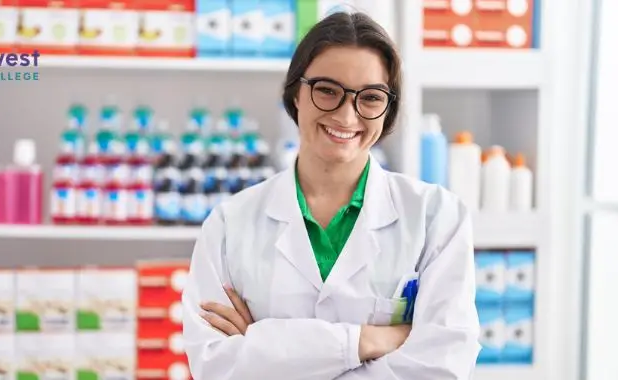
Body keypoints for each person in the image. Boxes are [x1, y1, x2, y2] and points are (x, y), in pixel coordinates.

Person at [180, 10, 481, 380]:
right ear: (296, 94)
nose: (346, 114)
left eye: (370, 97)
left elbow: (442, 366)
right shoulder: (230, 224)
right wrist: (365, 341)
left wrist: (265, 346)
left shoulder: (437, 217)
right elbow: (215, 364)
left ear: (388, 110)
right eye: (327, 90)